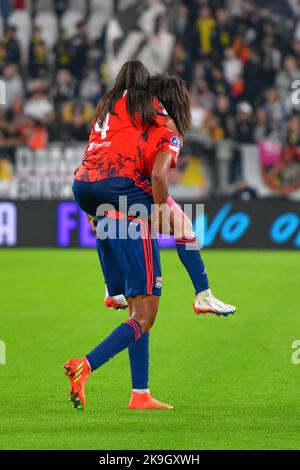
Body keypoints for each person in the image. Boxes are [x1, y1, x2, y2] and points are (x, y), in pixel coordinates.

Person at [65, 61, 175, 411]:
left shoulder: (105, 104)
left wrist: (93, 212)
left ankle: (140, 394)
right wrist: (160, 214)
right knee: (146, 314)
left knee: (136, 304)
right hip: (123, 195)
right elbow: (159, 168)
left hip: (86, 185)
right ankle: (86, 365)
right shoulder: (148, 105)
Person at [102, 74, 236, 317]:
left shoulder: (132, 117)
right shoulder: (167, 125)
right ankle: (203, 295)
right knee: (181, 228)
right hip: (135, 187)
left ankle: (113, 289)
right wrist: (161, 207)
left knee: (116, 231)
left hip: (107, 183)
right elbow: (157, 174)